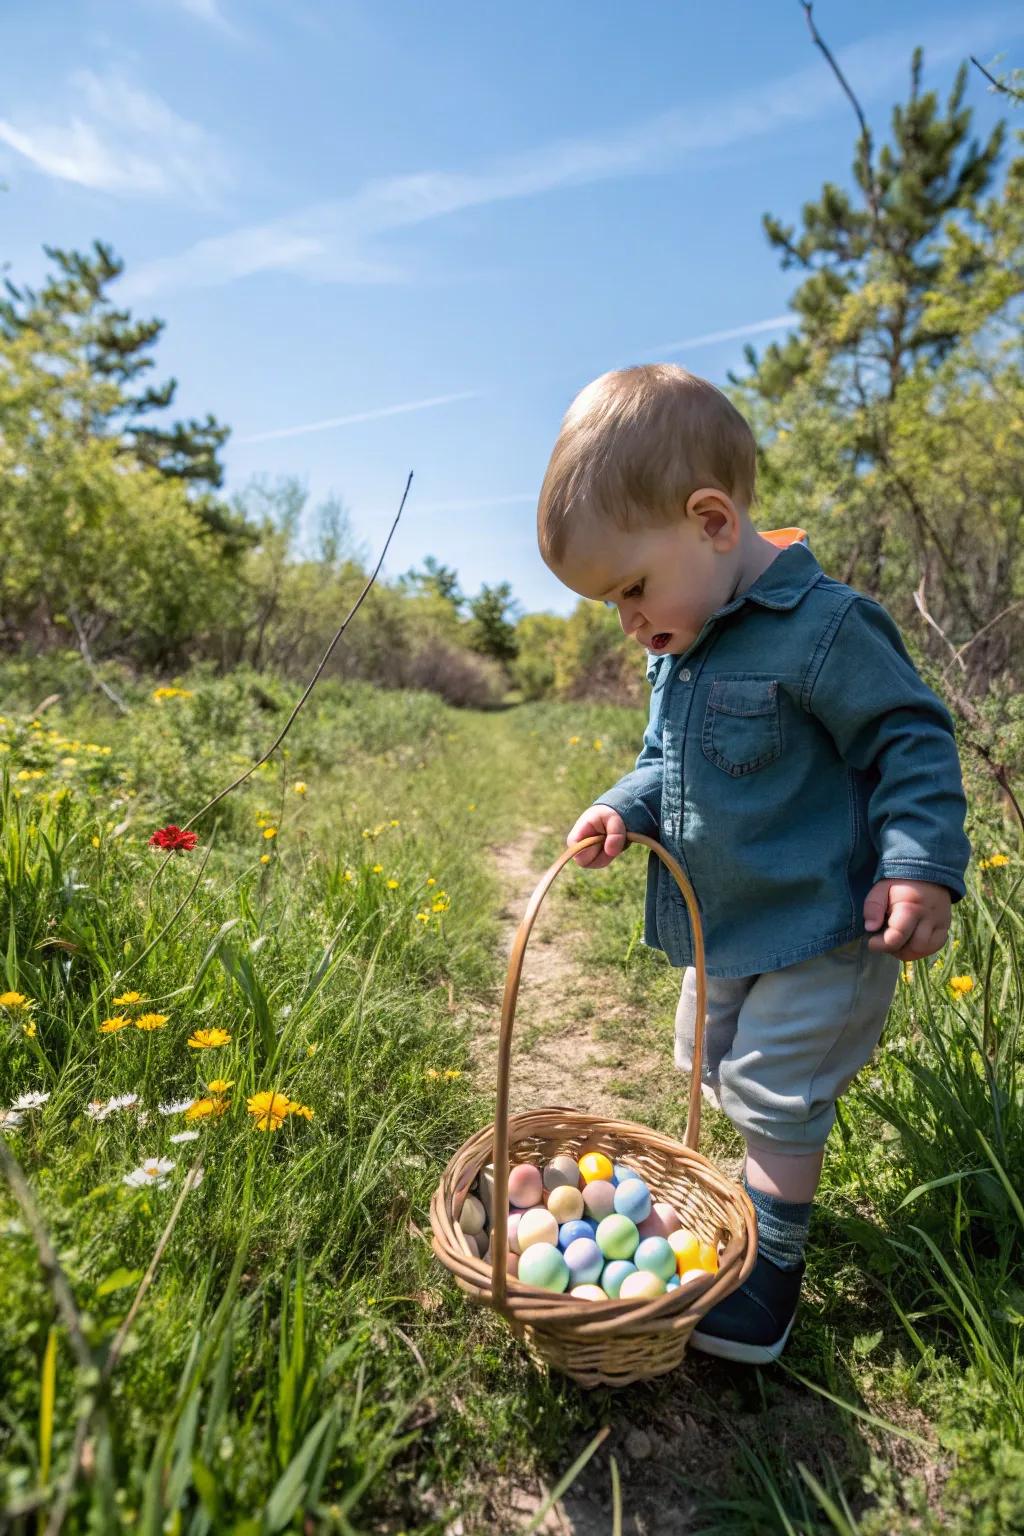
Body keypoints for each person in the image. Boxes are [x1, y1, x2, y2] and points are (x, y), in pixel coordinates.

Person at [536, 363, 971, 1364]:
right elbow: (663, 763)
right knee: (709, 1061)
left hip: (821, 925)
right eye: (612, 603)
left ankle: (766, 1288)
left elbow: (908, 737)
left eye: (632, 587)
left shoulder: (823, 630)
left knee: (774, 1088)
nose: (629, 622)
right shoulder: (679, 646)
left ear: (713, 522)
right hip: (721, 924)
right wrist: (619, 808)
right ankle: (746, 1204)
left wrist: (917, 865)